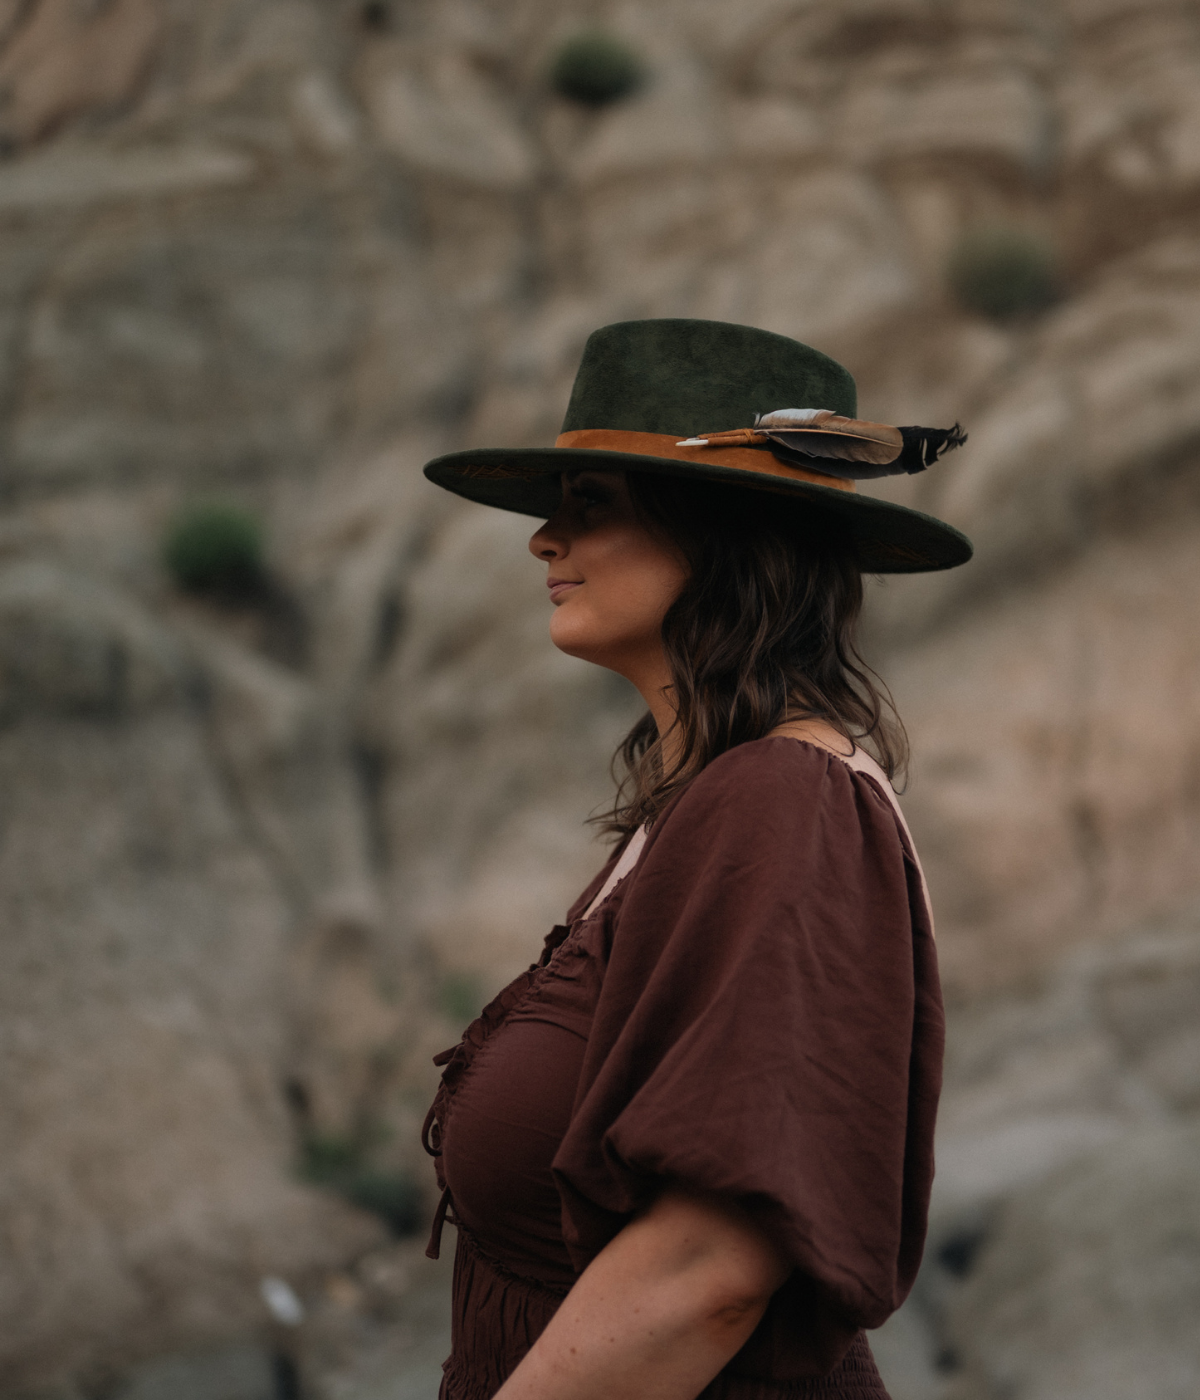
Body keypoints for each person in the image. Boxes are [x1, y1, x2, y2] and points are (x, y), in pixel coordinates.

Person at [419, 318, 972, 1400]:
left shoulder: (785, 800)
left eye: (592, 501)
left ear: (721, 527)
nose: (543, 538)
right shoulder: (701, 810)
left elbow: (708, 1264)